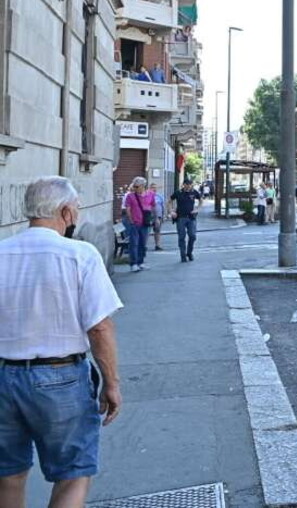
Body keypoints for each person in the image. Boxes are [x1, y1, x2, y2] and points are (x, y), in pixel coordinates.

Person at [0, 177, 122, 506]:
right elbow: (100, 328)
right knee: (72, 474)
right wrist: (111, 383)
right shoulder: (80, 255)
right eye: (77, 209)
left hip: (3, 374)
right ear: (66, 212)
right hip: (61, 377)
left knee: (7, 475)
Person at [121, 177, 154, 272]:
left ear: (143, 186)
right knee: (134, 244)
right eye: (134, 186)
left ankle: (141, 262)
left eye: (137, 186)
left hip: (145, 223)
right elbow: (127, 209)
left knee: (142, 244)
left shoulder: (150, 195)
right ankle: (133, 263)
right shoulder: (130, 196)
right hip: (134, 223)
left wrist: (154, 219)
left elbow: (152, 206)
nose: (135, 188)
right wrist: (131, 220)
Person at [169, 179, 202, 263]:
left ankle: (189, 252)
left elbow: (201, 200)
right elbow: (169, 201)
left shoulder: (194, 192)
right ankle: (183, 255)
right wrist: (171, 211)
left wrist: (197, 209)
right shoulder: (178, 192)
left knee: (192, 236)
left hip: (191, 217)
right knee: (181, 237)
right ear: (183, 185)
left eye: (190, 184)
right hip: (180, 217)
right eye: (187, 184)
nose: (188, 186)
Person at [149, 183, 165, 251]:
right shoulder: (147, 196)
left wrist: (163, 215)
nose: (154, 189)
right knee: (146, 231)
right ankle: (143, 245)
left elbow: (162, 206)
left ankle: (157, 245)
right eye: (152, 187)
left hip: (158, 216)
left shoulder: (159, 196)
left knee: (157, 231)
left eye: (155, 187)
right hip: (149, 216)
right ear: (149, 188)